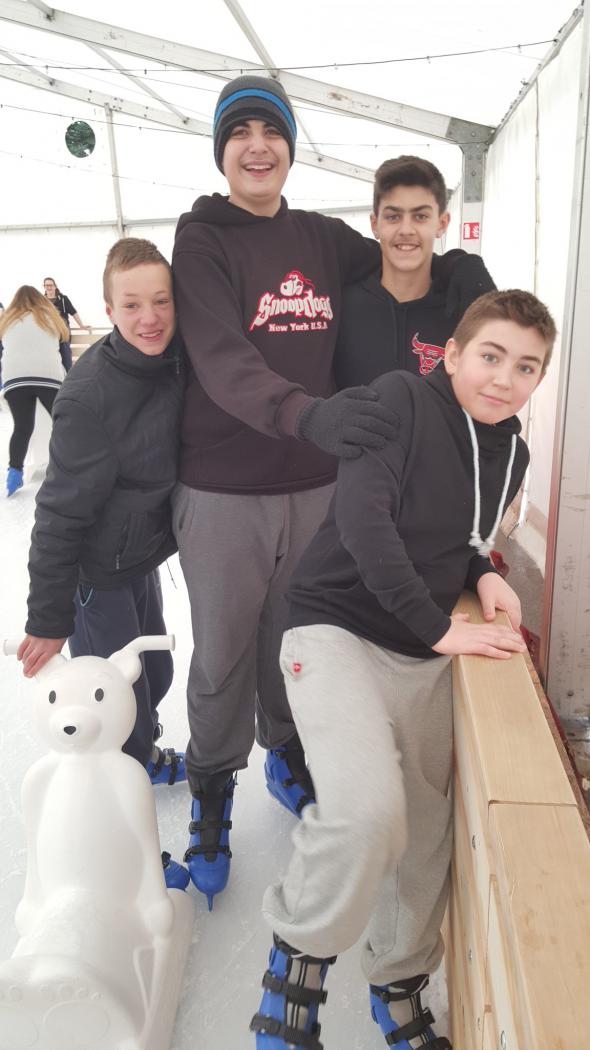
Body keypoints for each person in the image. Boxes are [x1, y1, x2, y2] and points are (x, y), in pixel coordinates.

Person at [171, 73, 497, 909]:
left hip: (316, 485)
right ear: (221, 151)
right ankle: (212, 787)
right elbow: (221, 357)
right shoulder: (202, 240)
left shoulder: (320, 238)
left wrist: (467, 275)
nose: (256, 146)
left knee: (294, 640)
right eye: (239, 133)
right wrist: (305, 414)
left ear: (290, 147)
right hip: (227, 486)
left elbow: (404, 258)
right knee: (223, 650)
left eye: (271, 132)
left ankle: (284, 749)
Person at [250, 289, 555, 1050]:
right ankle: (299, 958)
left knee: (424, 836)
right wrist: (440, 628)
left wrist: (481, 573)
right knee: (365, 811)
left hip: (419, 647)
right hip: (336, 627)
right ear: (450, 355)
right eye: (490, 356)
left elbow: (460, 533)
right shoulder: (398, 402)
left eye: (526, 367)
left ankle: (398, 976)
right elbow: (366, 522)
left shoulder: (512, 451)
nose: (505, 378)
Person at [17, 240, 188, 888]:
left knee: (156, 673)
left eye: (161, 301)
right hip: (95, 573)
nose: (150, 317)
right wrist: (48, 617)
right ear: (109, 310)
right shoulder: (90, 395)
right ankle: (128, 854)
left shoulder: (176, 360)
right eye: (132, 305)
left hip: (138, 556)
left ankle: (145, 752)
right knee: (117, 711)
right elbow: (59, 513)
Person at [334, 155, 495, 389]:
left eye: (420, 216)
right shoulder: (342, 306)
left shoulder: (463, 310)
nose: (406, 230)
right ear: (375, 224)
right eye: (393, 217)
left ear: (441, 224)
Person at [0, 285, 70, 497]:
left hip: (15, 380)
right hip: (48, 378)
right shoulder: (50, 319)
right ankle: (67, 468)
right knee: (62, 424)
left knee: (22, 427)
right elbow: (64, 350)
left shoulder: (7, 322)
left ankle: (14, 473)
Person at [43, 276, 90, 367]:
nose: (49, 287)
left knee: (65, 355)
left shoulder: (64, 299)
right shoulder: (42, 301)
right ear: (44, 287)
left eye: (51, 285)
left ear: (55, 286)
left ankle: (68, 372)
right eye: (46, 285)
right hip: (49, 331)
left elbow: (73, 312)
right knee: (50, 356)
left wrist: (81, 325)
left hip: (63, 331)